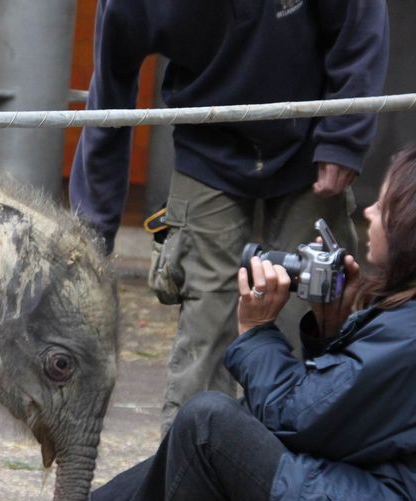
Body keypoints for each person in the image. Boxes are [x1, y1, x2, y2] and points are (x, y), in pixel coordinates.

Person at [1, 142, 416, 501]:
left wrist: (256, 332)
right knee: (222, 425)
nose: (368, 212)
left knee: (210, 422)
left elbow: (298, 419)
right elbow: (348, 421)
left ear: (415, 226)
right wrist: (329, 331)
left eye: (385, 205)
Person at [69, 0, 389, 431]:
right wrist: (92, 232)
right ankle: (191, 477)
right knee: (206, 331)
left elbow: (360, 21)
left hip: (309, 138)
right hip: (208, 143)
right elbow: (110, 99)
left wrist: (344, 136)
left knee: (309, 317)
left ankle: (296, 471)